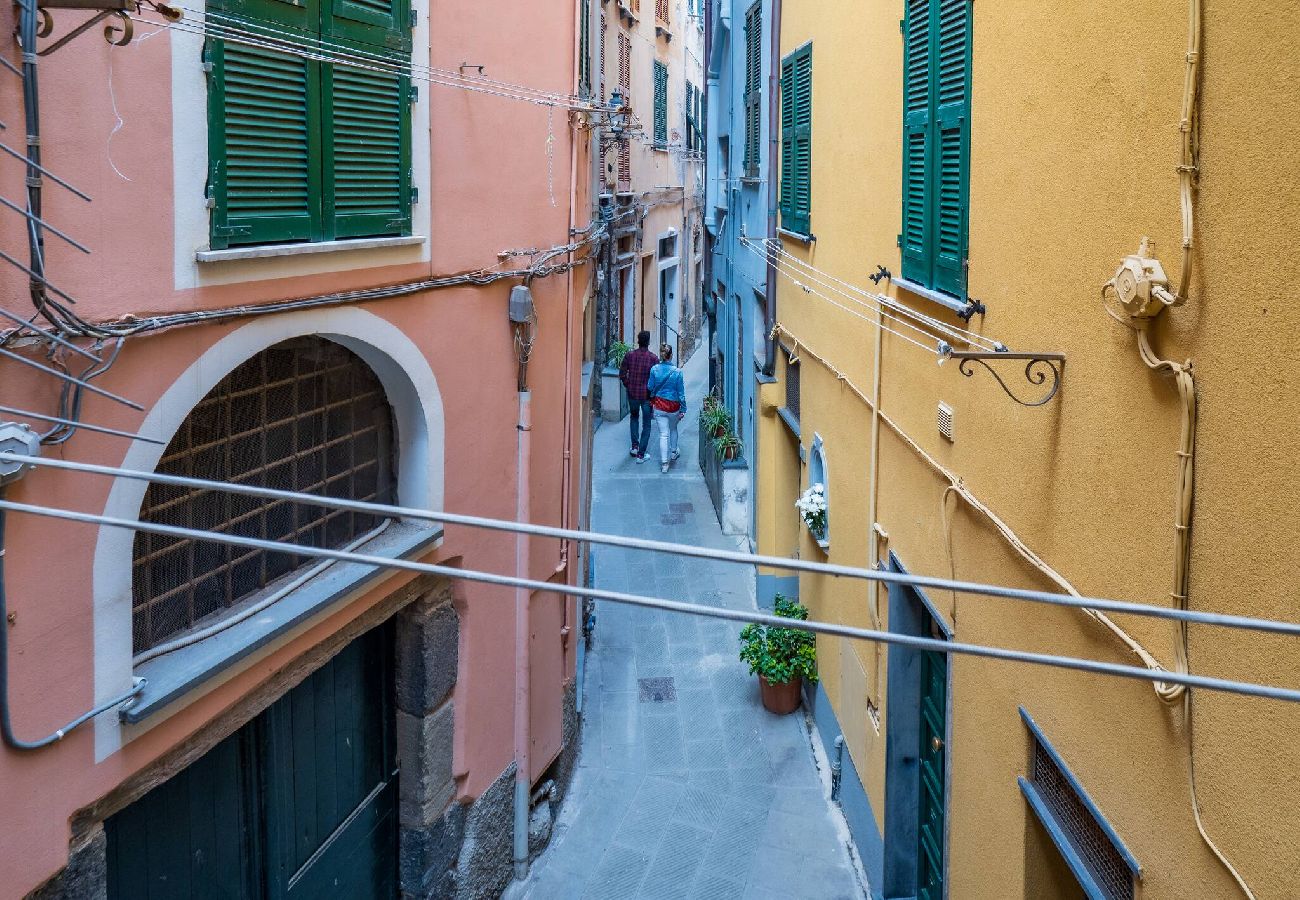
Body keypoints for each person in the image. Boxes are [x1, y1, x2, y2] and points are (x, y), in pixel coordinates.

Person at [646, 343, 687, 474]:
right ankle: (674, 452)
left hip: (659, 405)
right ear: (671, 355)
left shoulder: (654, 369)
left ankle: (664, 463)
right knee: (673, 428)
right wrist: (683, 409)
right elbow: (681, 393)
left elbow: (650, 387)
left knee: (663, 434)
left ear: (662, 355)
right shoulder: (678, 372)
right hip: (673, 406)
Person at [619, 330, 658, 461]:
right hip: (646, 396)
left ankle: (634, 446)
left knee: (634, 417)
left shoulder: (630, 355)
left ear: (638, 340)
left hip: (633, 394)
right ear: (648, 342)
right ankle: (641, 453)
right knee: (647, 424)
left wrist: (628, 385)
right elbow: (656, 378)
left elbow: (622, 373)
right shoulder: (653, 358)